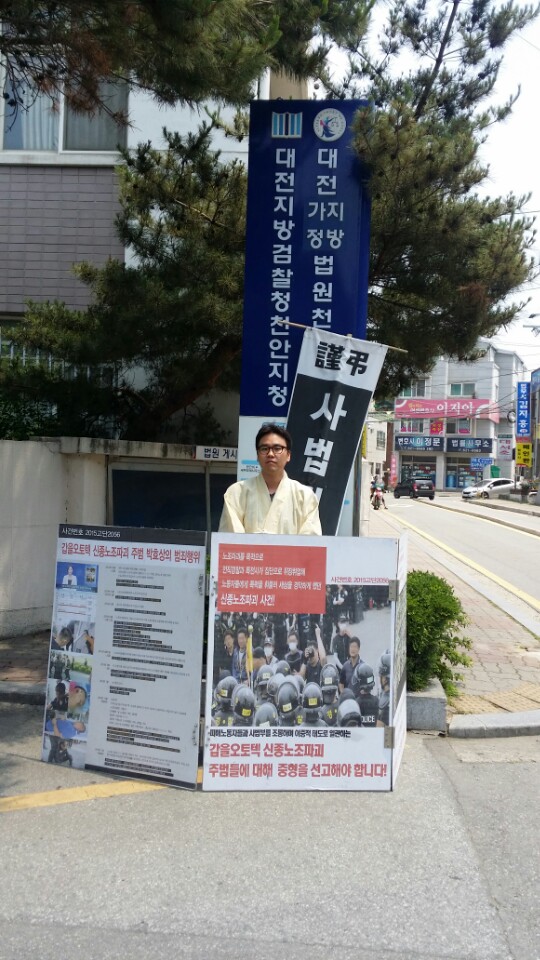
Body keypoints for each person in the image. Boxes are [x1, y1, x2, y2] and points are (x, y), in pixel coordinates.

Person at [219, 424, 322, 535]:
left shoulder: (305, 496)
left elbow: (310, 541)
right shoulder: (237, 493)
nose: (270, 454)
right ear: (257, 455)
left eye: (277, 448)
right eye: (264, 449)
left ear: (288, 455)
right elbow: (231, 540)